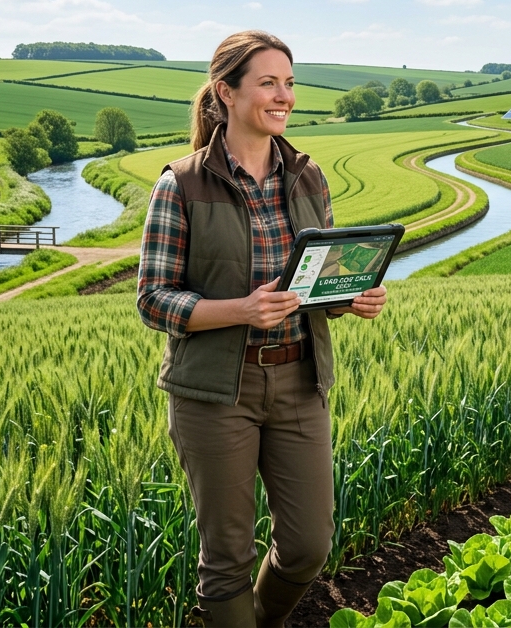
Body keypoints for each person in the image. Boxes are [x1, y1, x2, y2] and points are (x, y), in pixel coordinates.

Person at [137, 30, 388, 627]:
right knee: (227, 559)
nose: (284, 96)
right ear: (226, 92)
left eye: (290, 83)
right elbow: (152, 300)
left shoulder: (308, 176)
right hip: (215, 392)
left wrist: (349, 297)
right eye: (268, 83)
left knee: (309, 546)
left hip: (301, 381)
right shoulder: (181, 184)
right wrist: (240, 310)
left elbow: (313, 284)